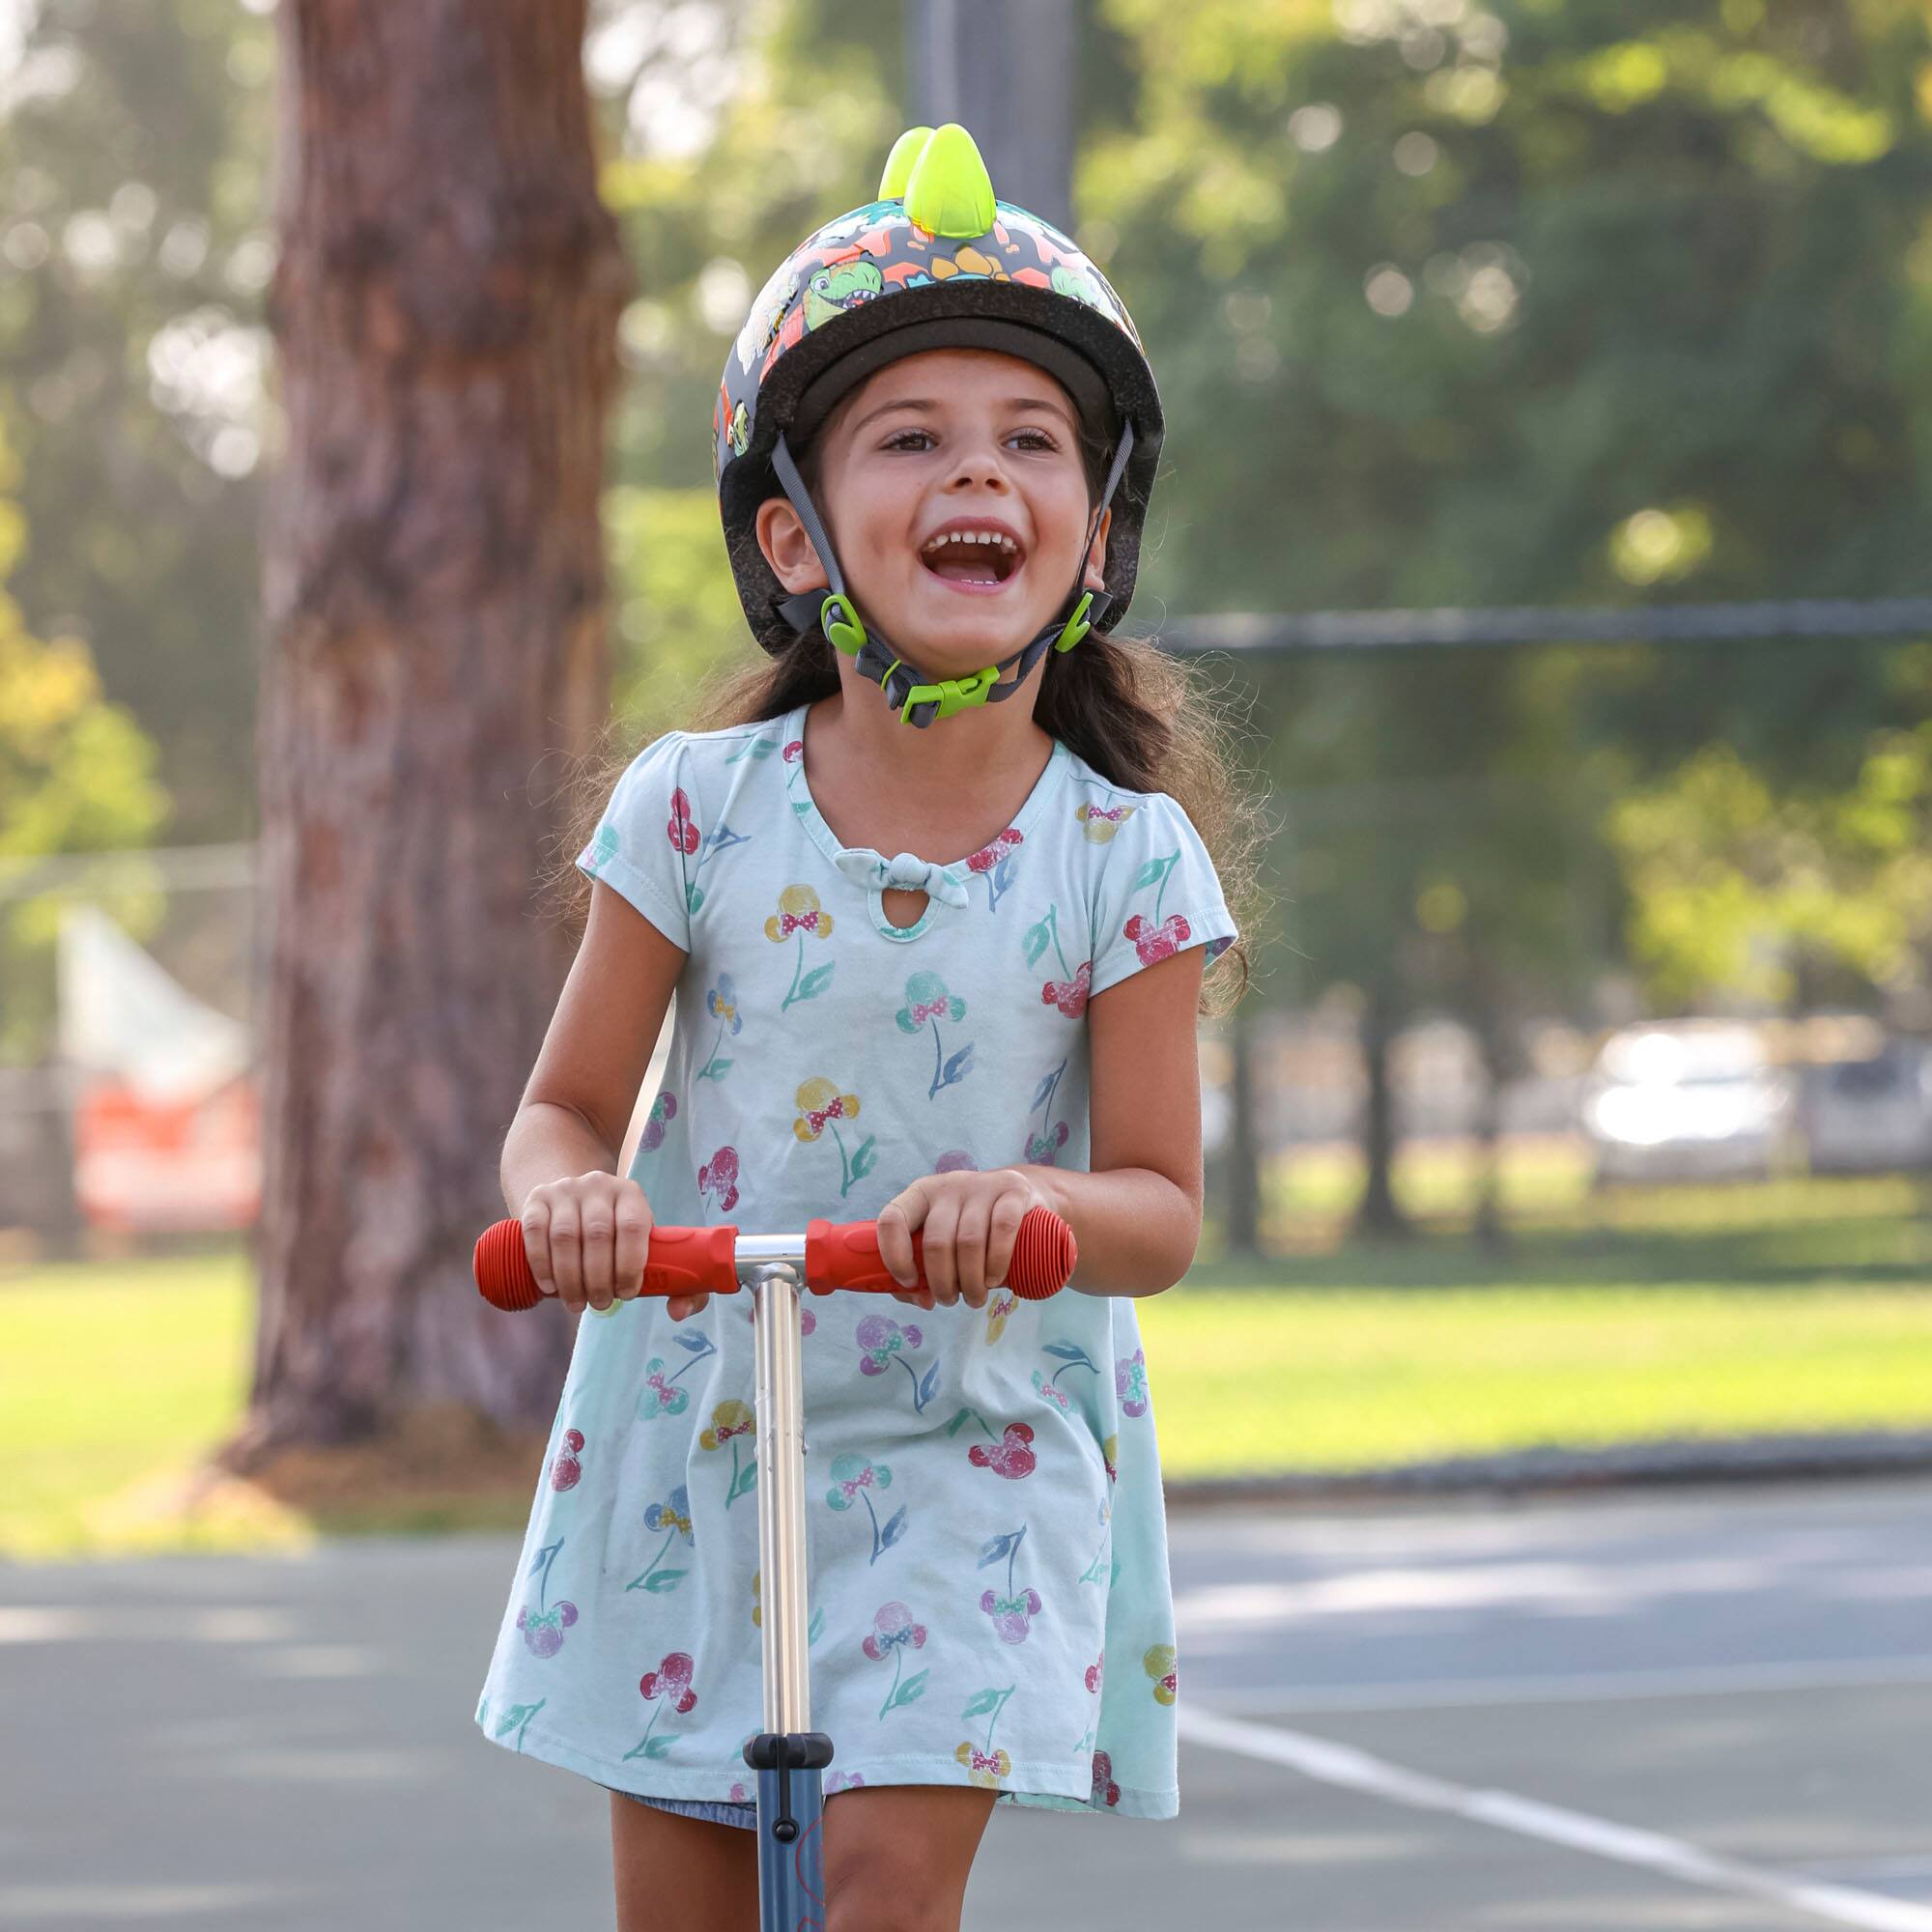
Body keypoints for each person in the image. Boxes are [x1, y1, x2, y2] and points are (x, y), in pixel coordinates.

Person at [474, 122, 1259, 1932]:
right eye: (911, 437)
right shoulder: (693, 811)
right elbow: (562, 1117)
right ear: (792, 530)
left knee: (877, 1895)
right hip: (697, 1450)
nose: (977, 472)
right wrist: (575, 1204)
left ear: (1092, 523)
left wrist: (1027, 1208)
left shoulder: (1121, 854)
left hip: (965, 1450)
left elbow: (1157, 1206)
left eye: (1029, 441)